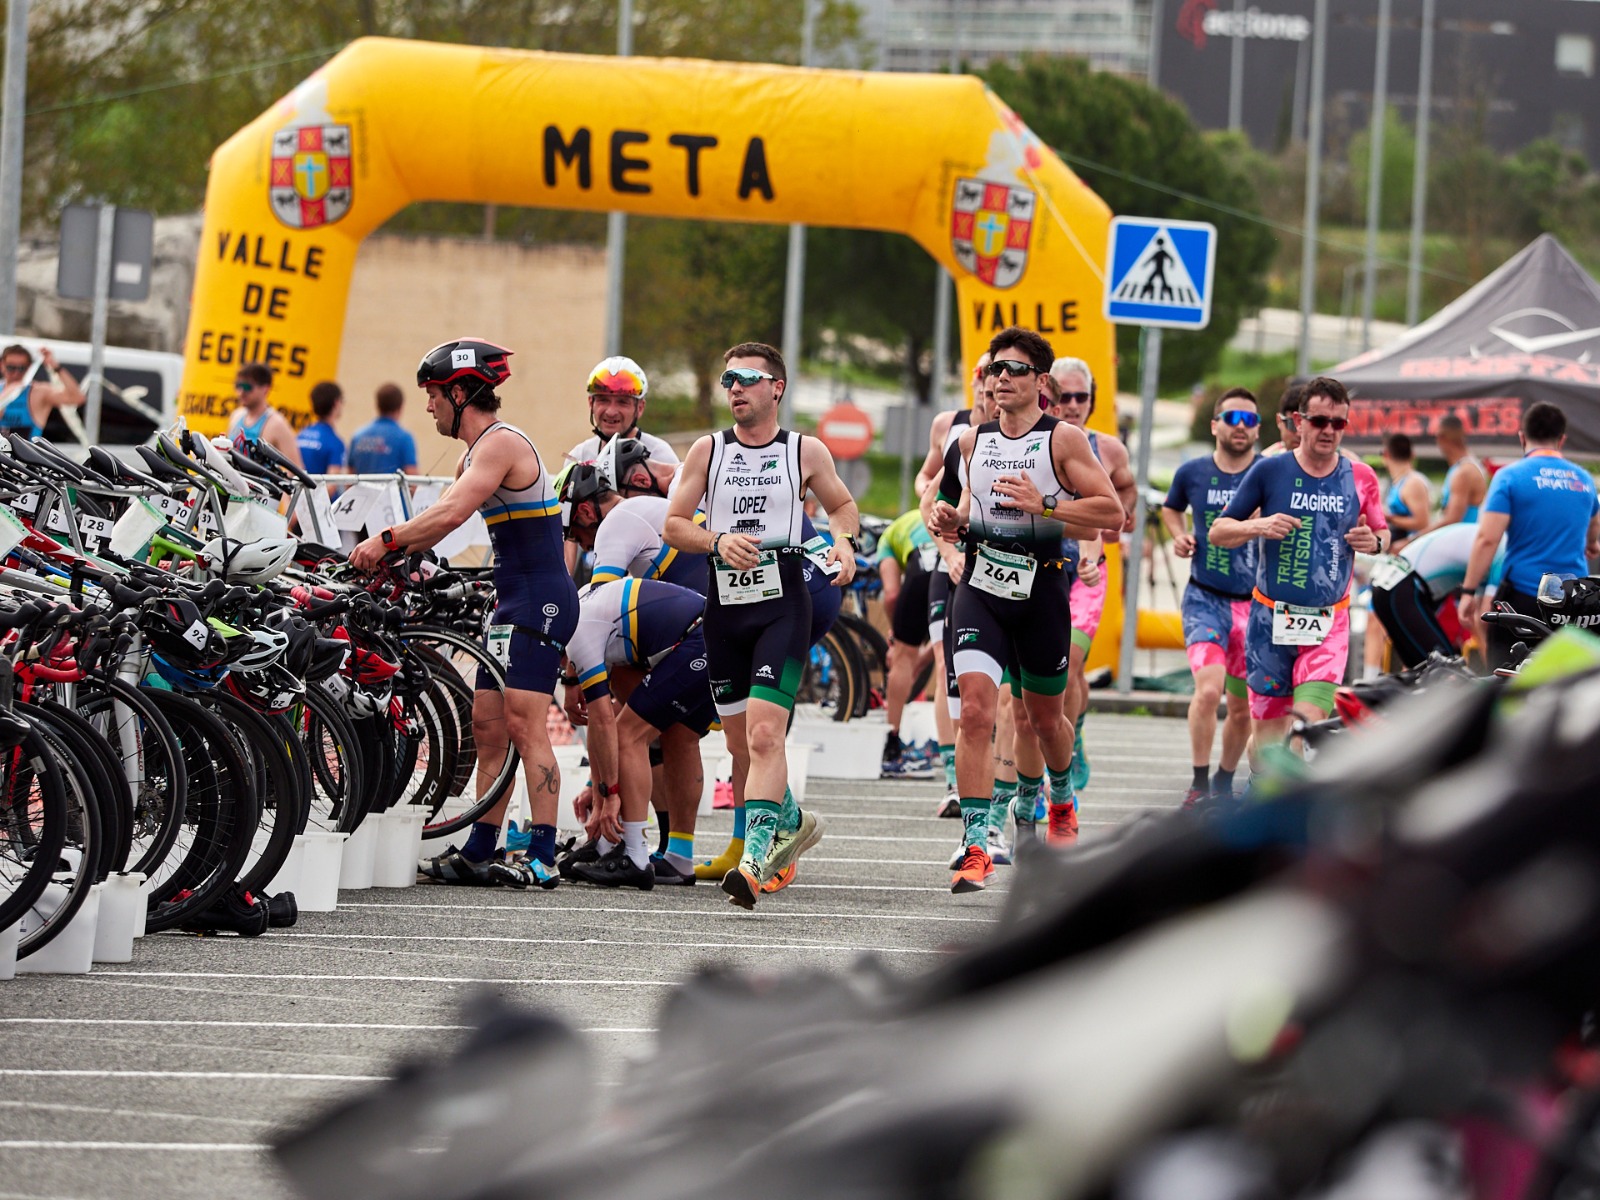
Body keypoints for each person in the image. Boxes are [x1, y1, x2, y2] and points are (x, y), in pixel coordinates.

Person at [350, 338, 577, 889]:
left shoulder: (501, 443)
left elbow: (451, 513)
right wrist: (407, 559)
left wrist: (385, 541)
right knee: (488, 728)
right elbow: (441, 521)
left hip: (542, 602)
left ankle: (543, 854)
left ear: (459, 391)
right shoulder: (472, 453)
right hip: (511, 600)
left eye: (432, 395)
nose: (427, 406)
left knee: (526, 726)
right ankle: (480, 848)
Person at [926, 327, 1123, 892]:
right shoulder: (969, 442)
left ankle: (1059, 798)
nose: (1001, 379)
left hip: (1042, 590)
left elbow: (1109, 511)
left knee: (1041, 720)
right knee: (976, 714)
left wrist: (1048, 503)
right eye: (995, 370)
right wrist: (949, 522)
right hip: (981, 589)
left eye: (1014, 370)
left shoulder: (1063, 441)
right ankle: (976, 841)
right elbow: (954, 506)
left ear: (1042, 383)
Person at [663, 341, 858, 910]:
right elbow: (674, 524)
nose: (734, 389)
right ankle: (791, 820)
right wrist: (717, 540)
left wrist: (842, 542)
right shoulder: (708, 451)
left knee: (767, 735)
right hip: (725, 608)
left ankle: (756, 859)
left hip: (783, 603)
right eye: (727, 380)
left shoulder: (804, 450)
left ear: (776, 388)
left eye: (747, 378)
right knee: (743, 747)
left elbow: (843, 506)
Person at [1210, 376, 1389, 754]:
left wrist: (1372, 542)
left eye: (1338, 423)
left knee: (1302, 727)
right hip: (1269, 623)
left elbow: (1383, 533)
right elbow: (1218, 531)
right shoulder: (1269, 471)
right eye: (1320, 421)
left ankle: (1284, 803)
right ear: (1299, 421)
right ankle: (1265, 795)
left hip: (1328, 624)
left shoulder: (1361, 477)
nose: (1329, 431)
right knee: (1268, 747)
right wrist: (1259, 525)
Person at [559, 577, 714, 889]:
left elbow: (606, 723)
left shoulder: (582, 637)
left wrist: (610, 795)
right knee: (660, 731)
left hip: (703, 638)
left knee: (629, 735)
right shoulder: (581, 615)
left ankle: (635, 856)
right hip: (697, 634)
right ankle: (618, 846)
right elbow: (599, 725)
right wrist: (601, 794)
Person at [1160, 387, 1260, 806]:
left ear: (1257, 430)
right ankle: (1199, 783)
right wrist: (1180, 535)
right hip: (1205, 598)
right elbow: (1170, 507)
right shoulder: (1192, 472)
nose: (1241, 427)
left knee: (1241, 710)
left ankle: (1223, 779)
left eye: (1250, 420)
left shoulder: (1268, 473)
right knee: (1206, 691)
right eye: (1232, 418)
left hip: (1255, 604)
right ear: (1215, 424)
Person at [1047, 356, 1136, 792]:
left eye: (1082, 397)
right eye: (1065, 396)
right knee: (1049, 670)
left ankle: (1073, 736)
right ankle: (1054, 741)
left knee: (1073, 662)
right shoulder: (1037, 441)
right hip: (1041, 566)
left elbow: (1127, 488)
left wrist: (1126, 514)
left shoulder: (1110, 449)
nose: (1073, 404)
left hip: (1087, 572)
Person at [1459, 402, 1600, 670]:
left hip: (1524, 597)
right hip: (1575, 604)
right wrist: (1591, 544)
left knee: (1505, 681)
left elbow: (1487, 539)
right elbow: (1594, 530)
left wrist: (1468, 591)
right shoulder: (1583, 479)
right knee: (1566, 681)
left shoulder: (1510, 477)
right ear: (1562, 439)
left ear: (1522, 437)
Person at [876, 508, 938, 773]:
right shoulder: (930, 510)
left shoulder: (887, 539)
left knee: (903, 657)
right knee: (949, 645)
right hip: (955, 555)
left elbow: (891, 595)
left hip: (922, 561)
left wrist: (896, 638)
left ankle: (892, 740)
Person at [566, 356, 680, 466]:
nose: (611, 412)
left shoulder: (661, 457)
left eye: (622, 402)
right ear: (591, 403)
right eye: (603, 400)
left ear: (640, 408)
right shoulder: (578, 457)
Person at [0, 343, 86, 437]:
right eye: (11, 368)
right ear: (2, 366)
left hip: (25, 451)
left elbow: (77, 398)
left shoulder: (37, 393)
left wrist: (56, 367)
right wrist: (6, 395)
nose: (16, 373)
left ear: (29, 368)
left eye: (21, 368)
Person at [229, 363, 305, 468]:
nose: (241, 392)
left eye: (247, 387)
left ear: (265, 389)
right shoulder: (236, 416)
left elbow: (296, 468)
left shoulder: (277, 424)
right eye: (238, 386)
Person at [1424, 415, 1487, 531]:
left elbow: (1452, 520)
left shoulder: (1464, 472)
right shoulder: (1466, 466)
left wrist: (1413, 539)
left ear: (1441, 437)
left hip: (1462, 543)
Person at [348, 382, 420, 476]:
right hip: (392, 491)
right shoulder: (404, 438)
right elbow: (412, 479)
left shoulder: (358, 436)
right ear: (400, 406)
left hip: (362, 491)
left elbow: (349, 478)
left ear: (377, 404)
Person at [297, 381, 347, 475]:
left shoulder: (300, 435)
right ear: (336, 403)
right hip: (317, 489)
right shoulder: (335, 443)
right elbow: (331, 484)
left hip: (297, 489)